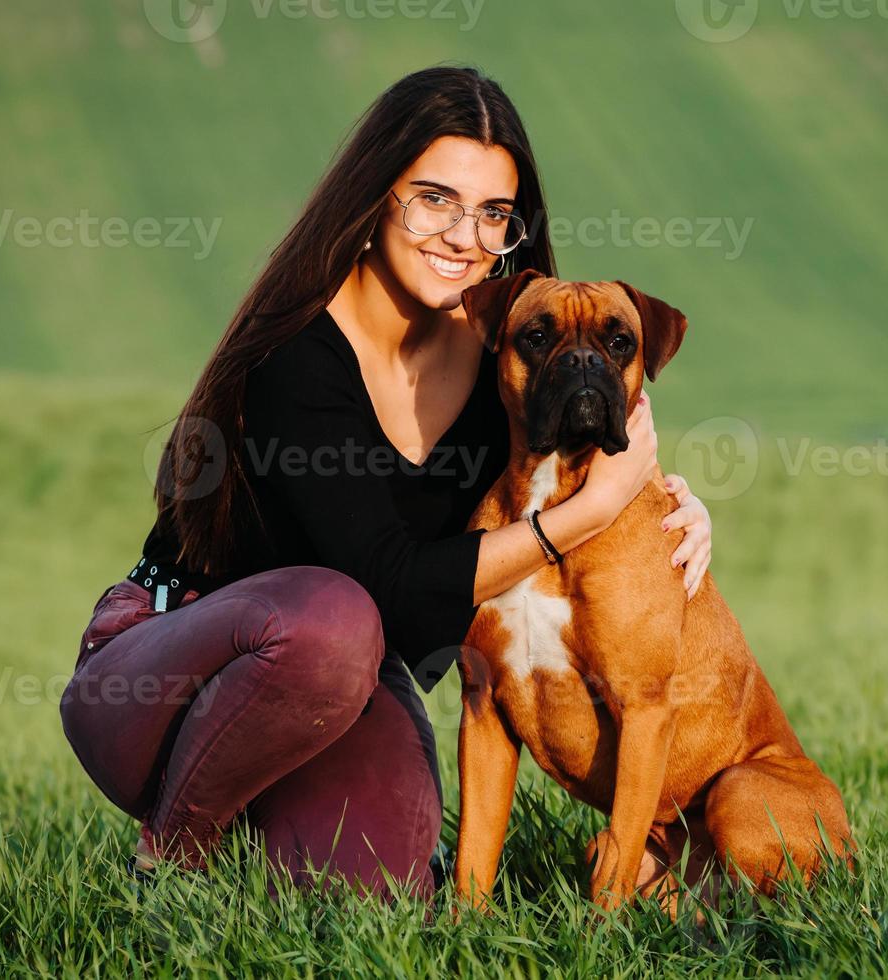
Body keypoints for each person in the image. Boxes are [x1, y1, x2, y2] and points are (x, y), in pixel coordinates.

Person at [59, 65, 714, 901]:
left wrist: (663, 508)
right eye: (433, 199)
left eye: (492, 214)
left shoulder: (508, 368)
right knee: (333, 616)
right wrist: (583, 517)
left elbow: (575, 460)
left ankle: (251, 832)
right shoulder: (294, 355)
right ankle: (170, 856)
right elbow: (392, 589)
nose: (462, 236)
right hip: (161, 672)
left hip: (343, 687)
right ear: (375, 199)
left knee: (390, 882)